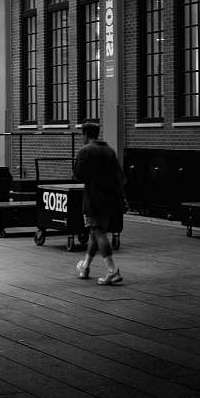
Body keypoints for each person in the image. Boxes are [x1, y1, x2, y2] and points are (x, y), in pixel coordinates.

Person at [73, 121, 126, 285]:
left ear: (85, 135)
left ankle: (112, 271)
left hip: (94, 199)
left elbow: (78, 176)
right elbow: (120, 178)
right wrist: (123, 198)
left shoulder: (85, 150)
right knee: (95, 233)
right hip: (111, 198)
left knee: (98, 231)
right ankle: (86, 267)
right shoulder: (109, 151)